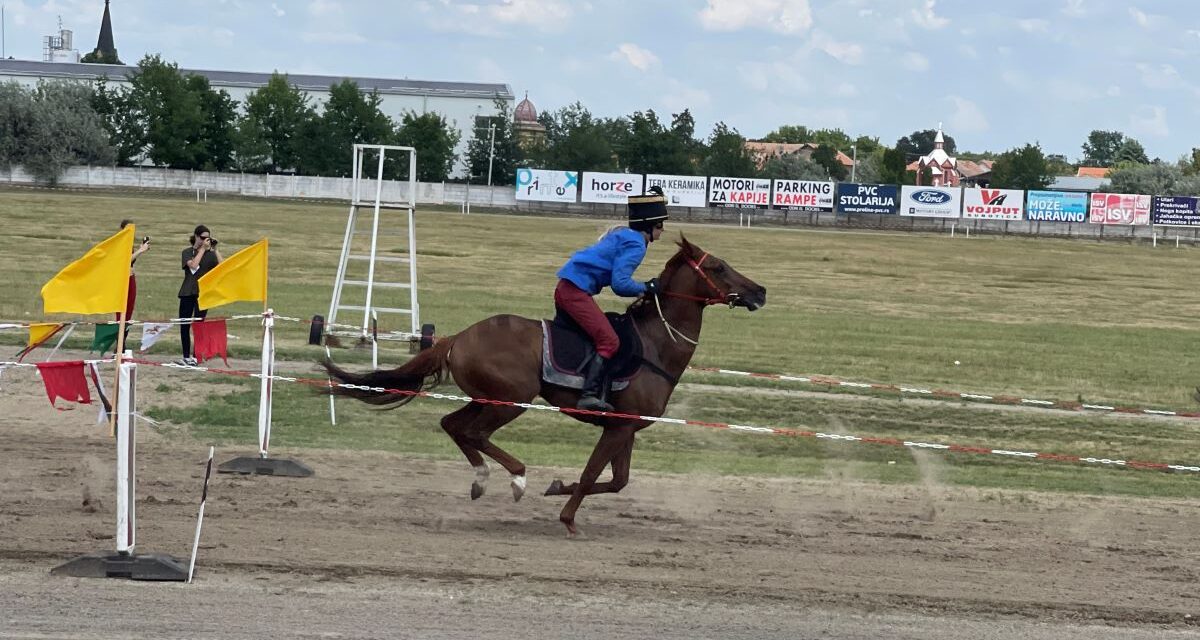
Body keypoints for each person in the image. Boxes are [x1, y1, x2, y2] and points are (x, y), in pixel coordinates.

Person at [554, 186, 667, 412]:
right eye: (660, 226)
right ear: (650, 226)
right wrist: (646, 287)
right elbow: (620, 284)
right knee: (610, 341)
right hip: (574, 293)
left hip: (568, 288)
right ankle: (588, 395)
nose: (662, 232)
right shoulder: (636, 244)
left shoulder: (624, 234)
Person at [177, 225, 221, 365]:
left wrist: (215, 250)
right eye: (202, 238)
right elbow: (194, 265)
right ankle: (186, 355)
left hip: (203, 294)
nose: (204, 241)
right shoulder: (187, 252)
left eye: (207, 238)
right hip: (187, 292)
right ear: (196, 237)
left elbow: (223, 267)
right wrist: (202, 249)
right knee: (184, 324)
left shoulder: (210, 255)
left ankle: (196, 356)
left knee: (199, 325)